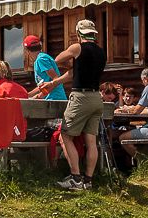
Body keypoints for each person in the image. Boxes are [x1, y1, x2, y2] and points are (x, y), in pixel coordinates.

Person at [37, 18, 106, 191]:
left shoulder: (77, 48)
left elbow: (57, 60)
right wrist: (54, 83)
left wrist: (71, 53)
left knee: (65, 135)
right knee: (91, 141)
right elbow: (72, 73)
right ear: (93, 34)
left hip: (81, 97)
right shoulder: (101, 52)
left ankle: (75, 178)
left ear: (78, 33)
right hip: (97, 98)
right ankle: (88, 181)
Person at [23, 35, 67, 101]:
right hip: (52, 99)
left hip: (54, 99)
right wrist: (28, 95)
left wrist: (38, 96)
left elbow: (55, 79)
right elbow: (43, 86)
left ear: (27, 50)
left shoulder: (41, 59)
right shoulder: (40, 59)